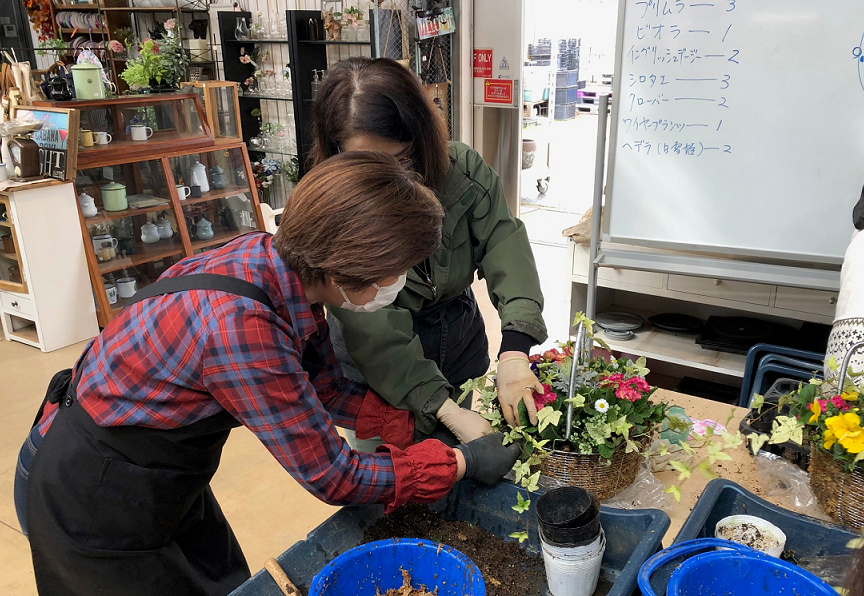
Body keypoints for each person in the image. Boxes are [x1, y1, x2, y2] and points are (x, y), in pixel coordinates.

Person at [14, 152, 520, 596]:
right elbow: (333, 474)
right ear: (348, 268)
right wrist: (456, 464)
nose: (402, 283)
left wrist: (410, 424)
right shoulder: (241, 327)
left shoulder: (281, 265)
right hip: (93, 494)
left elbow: (316, 385)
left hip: (161, 477)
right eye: (398, 271)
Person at [311, 57, 548, 446]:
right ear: (337, 150)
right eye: (370, 162)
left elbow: (505, 245)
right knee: (389, 481)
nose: (391, 177)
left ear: (422, 136)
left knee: (458, 472)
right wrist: (444, 408)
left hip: (457, 339)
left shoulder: (462, 170)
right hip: (377, 365)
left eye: (402, 158)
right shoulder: (335, 204)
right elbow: (373, 328)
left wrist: (515, 351)